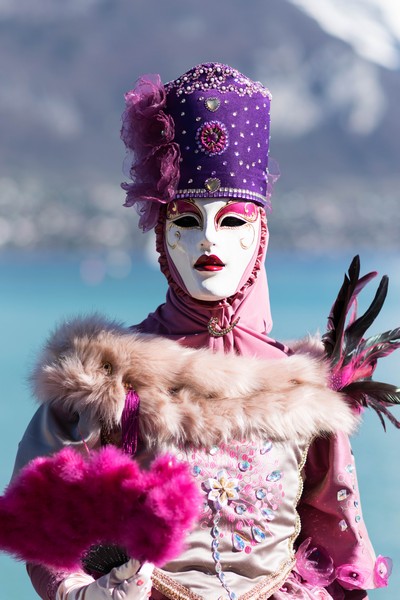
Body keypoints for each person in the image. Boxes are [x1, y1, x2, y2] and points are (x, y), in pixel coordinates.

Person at [11, 62, 398, 599]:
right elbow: (43, 518)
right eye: (188, 221)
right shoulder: (106, 378)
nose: (209, 241)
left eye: (233, 220)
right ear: (162, 235)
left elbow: (337, 549)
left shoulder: (305, 388)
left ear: (259, 234)